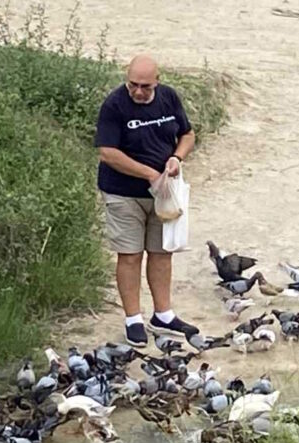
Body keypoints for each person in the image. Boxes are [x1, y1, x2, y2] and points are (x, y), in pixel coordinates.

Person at [95, 54, 199, 346]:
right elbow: (107, 152)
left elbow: (188, 134)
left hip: (164, 193)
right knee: (129, 255)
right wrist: (148, 173)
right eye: (133, 85)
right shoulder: (114, 104)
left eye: (145, 86)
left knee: (162, 252)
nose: (138, 91)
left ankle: (163, 314)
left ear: (157, 81)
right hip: (123, 192)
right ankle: (133, 319)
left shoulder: (169, 98)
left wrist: (177, 158)